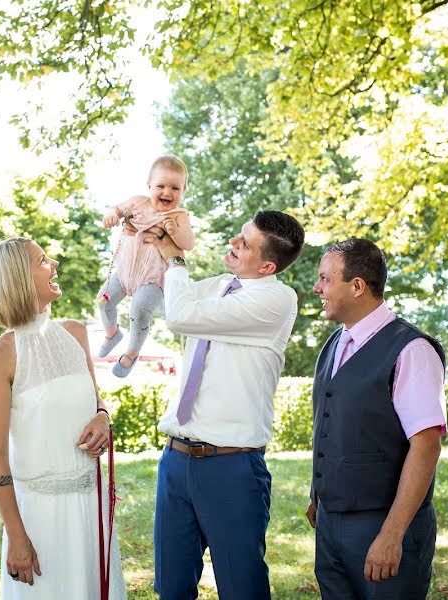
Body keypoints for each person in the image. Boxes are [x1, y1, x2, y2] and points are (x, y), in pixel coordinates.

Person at [141, 209, 305, 600]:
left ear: (268, 265)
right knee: (170, 587)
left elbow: (181, 316)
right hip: (177, 460)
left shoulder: (276, 300)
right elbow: (167, 300)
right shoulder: (220, 285)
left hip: (231, 466)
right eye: (239, 234)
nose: (234, 242)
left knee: (241, 588)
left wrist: (177, 260)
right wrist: (157, 235)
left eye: (244, 243)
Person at [0, 236, 127, 599]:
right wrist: (16, 536)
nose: (54, 264)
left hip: (89, 508)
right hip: (39, 516)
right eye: (43, 260)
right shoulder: (0, 356)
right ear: (17, 278)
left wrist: (103, 418)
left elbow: (97, 402)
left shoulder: (75, 332)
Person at [306, 238, 446, 599]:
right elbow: (333, 423)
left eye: (325, 279)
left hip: (384, 525)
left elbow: (426, 445)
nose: (316, 287)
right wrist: (318, 497)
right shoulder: (334, 344)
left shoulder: (412, 349)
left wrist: (392, 534)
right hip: (330, 524)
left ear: (357, 286)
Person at [97, 155, 196, 377]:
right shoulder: (137, 202)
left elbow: (188, 244)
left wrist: (175, 231)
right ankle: (112, 333)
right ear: (148, 186)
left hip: (152, 278)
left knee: (139, 309)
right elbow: (117, 209)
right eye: (160, 186)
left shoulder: (179, 216)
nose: (167, 192)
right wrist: (112, 214)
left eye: (175, 188)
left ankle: (132, 352)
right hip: (123, 274)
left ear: (183, 190)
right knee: (103, 302)